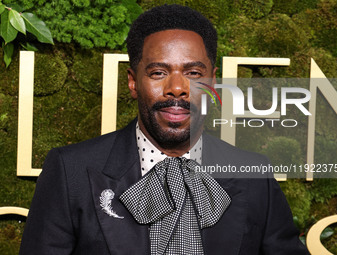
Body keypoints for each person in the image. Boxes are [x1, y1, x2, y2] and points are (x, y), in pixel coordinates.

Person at [20, 4, 310, 255]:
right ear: (133, 82)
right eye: (158, 73)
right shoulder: (71, 171)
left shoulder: (254, 174)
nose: (177, 89)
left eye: (193, 73)